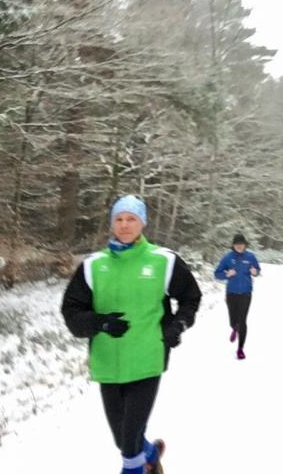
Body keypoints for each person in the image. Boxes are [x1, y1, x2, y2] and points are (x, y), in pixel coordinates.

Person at [61, 194, 201, 474]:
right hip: (107, 363)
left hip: (147, 358)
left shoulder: (163, 261)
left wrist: (177, 325)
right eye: (119, 219)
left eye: (131, 219)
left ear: (142, 223)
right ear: (112, 223)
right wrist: (100, 323)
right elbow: (71, 310)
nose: (124, 225)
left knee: (128, 444)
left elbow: (190, 297)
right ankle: (150, 453)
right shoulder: (93, 265)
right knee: (122, 439)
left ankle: (135, 467)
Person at [214, 233, 261, 359]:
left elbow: (257, 270)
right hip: (231, 293)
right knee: (233, 320)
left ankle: (240, 349)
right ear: (233, 245)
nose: (239, 246)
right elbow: (217, 273)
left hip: (246, 293)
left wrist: (255, 272)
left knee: (243, 320)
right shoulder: (228, 258)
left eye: (241, 244)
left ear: (245, 245)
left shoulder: (250, 257)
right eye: (237, 244)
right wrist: (227, 274)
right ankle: (234, 327)